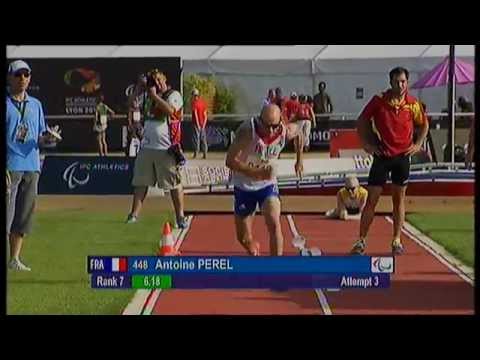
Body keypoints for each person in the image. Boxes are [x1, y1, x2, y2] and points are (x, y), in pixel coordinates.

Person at [351, 67, 429, 256]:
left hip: (402, 157)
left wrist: (418, 144)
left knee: (398, 200)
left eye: (403, 82)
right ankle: (361, 240)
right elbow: (362, 120)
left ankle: (396, 240)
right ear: (390, 82)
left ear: (407, 83)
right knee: (372, 200)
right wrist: (367, 144)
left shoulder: (413, 104)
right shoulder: (379, 101)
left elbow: (424, 124)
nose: (400, 85)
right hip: (383, 156)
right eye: (397, 82)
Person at [226, 104, 304, 256]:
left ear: (280, 121)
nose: (270, 131)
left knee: (275, 224)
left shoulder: (285, 131)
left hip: (267, 185)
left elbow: (299, 133)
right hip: (244, 186)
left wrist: (299, 160)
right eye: (266, 126)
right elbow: (229, 161)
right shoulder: (248, 131)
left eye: (274, 126)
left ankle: (275, 269)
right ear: (259, 120)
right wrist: (256, 172)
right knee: (243, 238)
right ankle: (252, 247)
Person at [6, 60, 62, 271]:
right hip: (9, 165)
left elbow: (39, 136)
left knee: (24, 214)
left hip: (31, 164)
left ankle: (14, 259)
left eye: (26, 75)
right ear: (10, 77)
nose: (22, 79)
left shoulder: (35, 105)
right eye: (18, 75)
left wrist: (48, 138)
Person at [126, 69, 187, 229]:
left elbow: (171, 111)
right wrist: (139, 88)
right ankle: (134, 215)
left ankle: (180, 216)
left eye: (159, 80)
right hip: (147, 145)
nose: (157, 83)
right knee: (141, 182)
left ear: (165, 80)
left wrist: (154, 96)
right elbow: (132, 104)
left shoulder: (173, 95)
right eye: (154, 81)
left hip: (166, 147)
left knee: (173, 183)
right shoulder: (148, 95)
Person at [191, 88, 209, 159]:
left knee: (196, 139)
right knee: (203, 139)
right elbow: (205, 115)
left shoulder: (194, 103)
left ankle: (196, 153)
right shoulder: (202, 102)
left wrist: (198, 124)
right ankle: (205, 153)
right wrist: (204, 124)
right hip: (202, 123)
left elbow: (195, 115)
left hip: (196, 124)